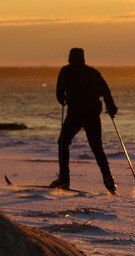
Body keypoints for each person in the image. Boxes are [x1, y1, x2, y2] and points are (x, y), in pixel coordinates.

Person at [50, 47, 118, 194]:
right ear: (83, 58)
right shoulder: (93, 73)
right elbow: (106, 92)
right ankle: (109, 181)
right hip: (92, 115)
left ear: (70, 59)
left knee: (63, 142)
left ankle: (64, 178)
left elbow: (59, 93)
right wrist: (111, 107)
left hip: (75, 114)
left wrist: (61, 99)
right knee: (97, 148)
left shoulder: (66, 71)